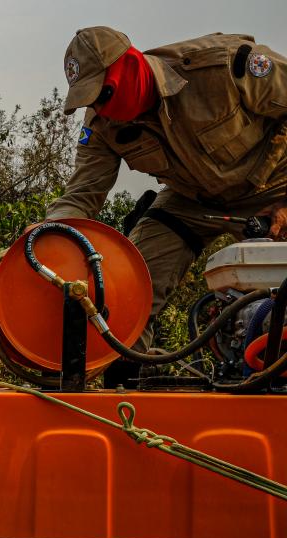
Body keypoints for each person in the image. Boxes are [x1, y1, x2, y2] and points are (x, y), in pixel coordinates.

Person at [46, 27, 287, 373]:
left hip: (275, 187)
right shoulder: (101, 126)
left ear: (130, 64)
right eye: (90, 100)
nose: (99, 107)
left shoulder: (221, 67)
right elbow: (81, 195)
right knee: (127, 287)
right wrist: (48, 239)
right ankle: (130, 385)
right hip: (191, 202)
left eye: (104, 93)